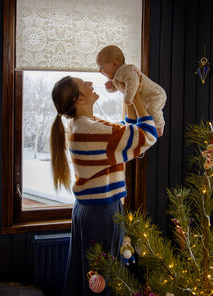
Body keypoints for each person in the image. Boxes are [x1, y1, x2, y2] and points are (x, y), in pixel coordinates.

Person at [50, 75, 158, 296]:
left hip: (91, 209)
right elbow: (147, 136)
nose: (91, 83)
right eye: (84, 84)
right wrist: (136, 95)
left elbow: (121, 132)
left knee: (91, 275)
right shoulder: (90, 129)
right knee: (103, 281)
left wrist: (127, 101)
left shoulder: (84, 124)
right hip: (100, 213)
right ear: (78, 100)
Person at [96, 45, 167, 137]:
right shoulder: (116, 77)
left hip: (155, 94)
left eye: (102, 67)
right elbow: (117, 88)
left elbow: (133, 83)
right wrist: (109, 88)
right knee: (144, 112)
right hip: (145, 98)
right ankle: (147, 127)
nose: (99, 71)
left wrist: (128, 98)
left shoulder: (127, 70)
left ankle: (159, 126)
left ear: (114, 64)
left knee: (152, 108)